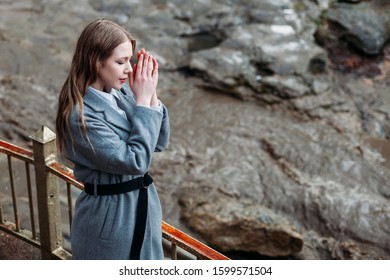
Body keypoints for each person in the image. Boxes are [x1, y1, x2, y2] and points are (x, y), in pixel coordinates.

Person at [55, 19, 170, 260]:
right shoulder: (79, 117)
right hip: (110, 220)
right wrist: (142, 101)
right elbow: (135, 161)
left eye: (130, 60)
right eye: (121, 62)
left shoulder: (121, 92)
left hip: (143, 207)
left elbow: (158, 141)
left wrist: (151, 96)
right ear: (96, 62)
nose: (129, 69)